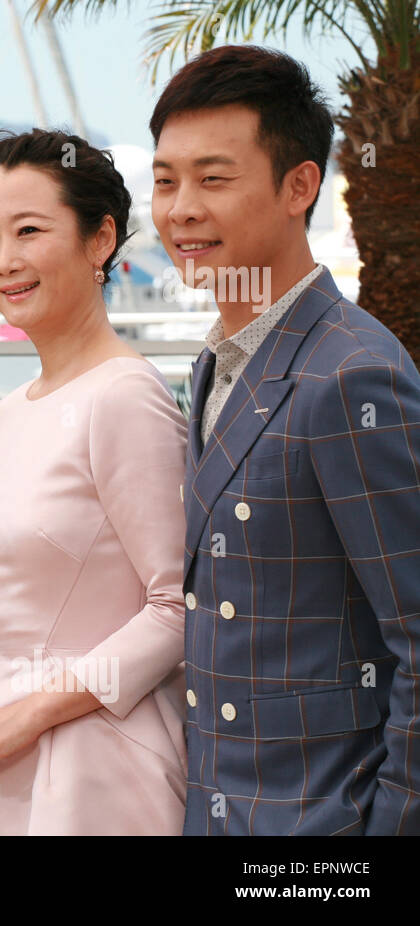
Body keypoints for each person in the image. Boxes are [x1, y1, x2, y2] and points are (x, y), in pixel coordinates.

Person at [152, 45, 420, 835]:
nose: (181, 209)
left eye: (214, 178)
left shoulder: (350, 374)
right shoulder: (217, 362)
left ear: (300, 185)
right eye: (165, 180)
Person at [0, 129, 189, 835]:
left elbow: (178, 608)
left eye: (30, 231)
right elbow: (22, 605)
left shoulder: (126, 396)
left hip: (97, 762)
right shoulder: (12, 412)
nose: (4, 261)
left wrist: (32, 713)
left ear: (100, 239)